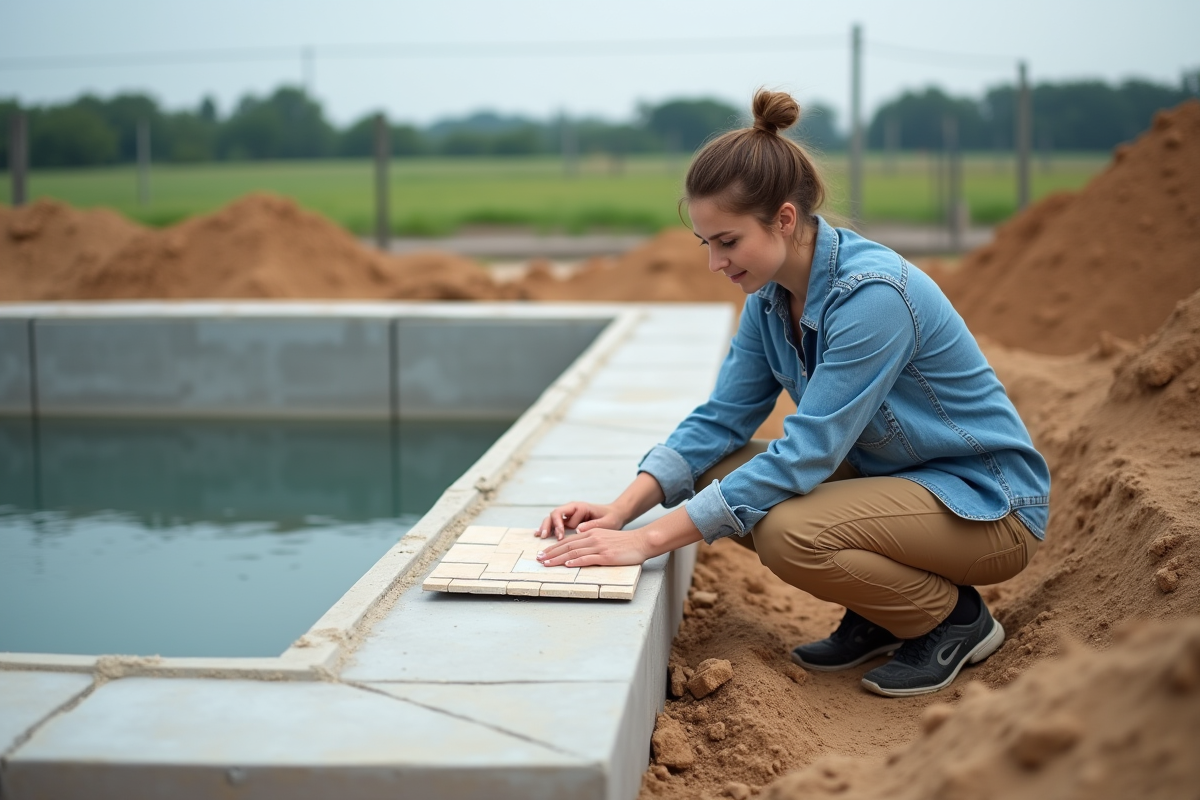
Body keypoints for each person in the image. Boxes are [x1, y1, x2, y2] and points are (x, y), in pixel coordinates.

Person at [534, 89, 1050, 698]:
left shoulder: (874, 297)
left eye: (728, 242)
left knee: (790, 533)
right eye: (707, 245)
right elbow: (722, 419)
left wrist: (646, 542)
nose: (715, 264)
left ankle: (952, 620)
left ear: (783, 219)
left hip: (986, 507)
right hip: (900, 487)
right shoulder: (770, 297)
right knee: (716, 468)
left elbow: (808, 454)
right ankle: (883, 608)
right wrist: (622, 510)